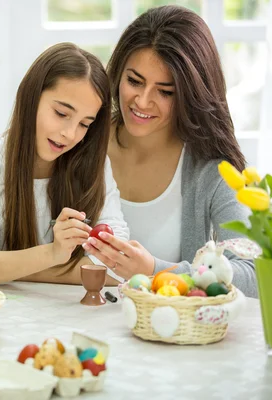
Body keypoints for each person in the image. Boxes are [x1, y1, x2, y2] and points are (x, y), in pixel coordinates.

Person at [80, 5, 258, 297]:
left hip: (167, 337)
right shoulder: (81, 140)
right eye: (134, 81)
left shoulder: (211, 171)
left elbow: (253, 277)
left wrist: (155, 269)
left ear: (191, 94)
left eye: (165, 91)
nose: (143, 101)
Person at [0, 42, 129, 286]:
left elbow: (117, 267)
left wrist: (2, 266)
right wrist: (54, 254)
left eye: (84, 124)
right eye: (62, 113)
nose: (70, 133)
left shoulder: (96, 166)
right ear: (31, 97)